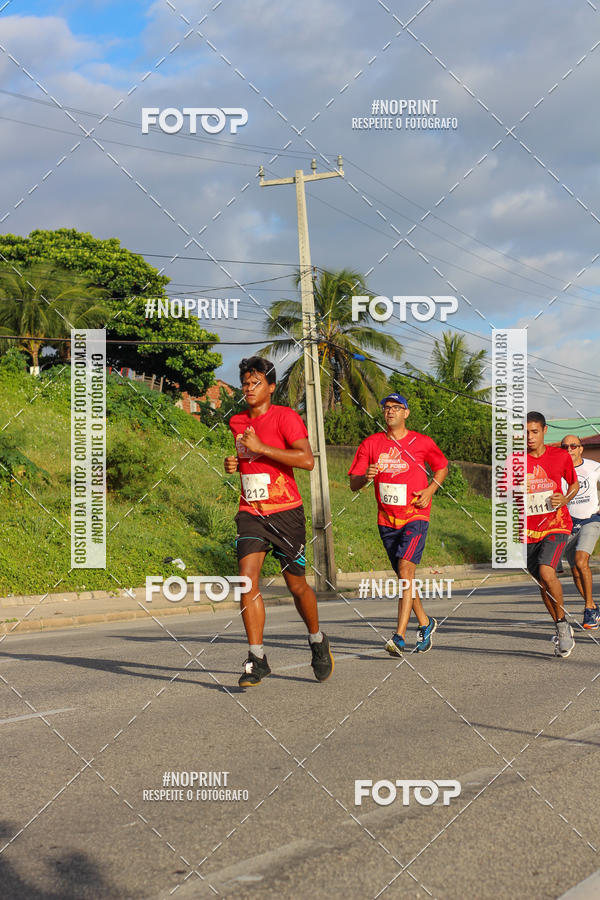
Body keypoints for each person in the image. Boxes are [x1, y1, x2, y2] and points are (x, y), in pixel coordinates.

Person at [225, 356, 333, 686]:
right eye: (245, 383)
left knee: (296, 585)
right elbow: (251, 460)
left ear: (271, 387)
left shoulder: (286, 417)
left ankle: (317, 640)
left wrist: (262, 447)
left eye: (256, 382)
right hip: (251, 513)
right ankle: (257, 658)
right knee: (247, 581)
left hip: (286, 513)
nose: (248, 388)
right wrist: (235, 463)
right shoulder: (236, 422)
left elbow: (306, 460)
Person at [348, 392, 449, 655]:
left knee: (405, 571)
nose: (390, 411)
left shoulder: (422, 442)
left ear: (406, 413)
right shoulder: (371, 444)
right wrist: (365, 477)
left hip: (415, 515)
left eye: (396, 407)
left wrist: (430, 491)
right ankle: (425, 623)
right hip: (386, 521)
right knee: (406, 578)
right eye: (386, 407)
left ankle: (399, 636)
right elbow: (353, 484)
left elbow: (442, 467)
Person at [526, 412, 579, 657]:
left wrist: (565, 499)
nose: (529, 437)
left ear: (544, 431)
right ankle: (560, 623)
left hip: (557, 524)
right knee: (542, 582)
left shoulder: (560, 456)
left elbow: (573, 484)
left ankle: (563, 626)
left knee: (547, 572)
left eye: (534, 432)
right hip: (528, 530)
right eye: (525, 432)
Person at [560, 435, 600, 629]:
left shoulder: (593, 467)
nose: (569, 449)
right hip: (568, 524)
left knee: (581, 560)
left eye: (573, 446)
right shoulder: (558, 471)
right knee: (575, 570)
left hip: (591, 520)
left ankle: (589, 609)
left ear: (580, 449)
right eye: (565, 446)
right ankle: (593, 606)